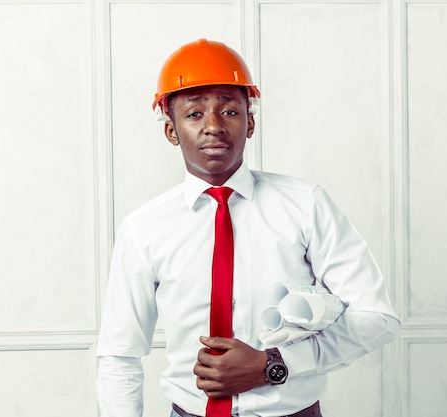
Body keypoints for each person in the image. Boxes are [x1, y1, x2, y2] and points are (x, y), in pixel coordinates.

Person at [96, 38, 400, 417]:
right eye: (193, 114)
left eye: (229, 111)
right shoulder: (143, 229)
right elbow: (119, 355)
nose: (213, 126)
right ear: (171, 131)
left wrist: (274, 363)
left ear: (250, 122)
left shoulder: (306, 205)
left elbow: (377, 317)